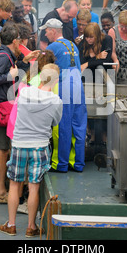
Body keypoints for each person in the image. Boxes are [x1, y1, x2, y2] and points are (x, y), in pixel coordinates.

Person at [0, 64, 63, 238]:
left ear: (41, 77)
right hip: (40, 145)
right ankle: (31, 226)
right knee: (34, 187)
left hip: (19, 143)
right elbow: (55, 121)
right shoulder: (56, 100)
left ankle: (11, 225)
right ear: (56, 81)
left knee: (14, 184)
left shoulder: (24, 92)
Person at [0, 24, 30, 204]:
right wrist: (10, 77)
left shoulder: (5, 55)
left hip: (3, 107)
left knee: (1, 149)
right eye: (19, 39)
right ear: (14, 40)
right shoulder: (3, 58)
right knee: (2, 150)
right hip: (4, 108)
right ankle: (1, 191)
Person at [42, 18, 87, 172]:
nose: (45, 33)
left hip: (63, 85)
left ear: (53, 31)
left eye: (46, 30)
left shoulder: (53, 46)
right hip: (77, 85)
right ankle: (77, 163)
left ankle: (60, 164)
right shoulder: (73, 45)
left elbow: (43, 68)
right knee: (78, 125)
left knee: (62, 126)